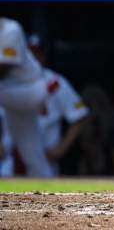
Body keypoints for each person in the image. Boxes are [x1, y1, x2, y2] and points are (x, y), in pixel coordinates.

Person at [28, 35, 90, 175]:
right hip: (10, 161)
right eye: (28, 54)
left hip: (44, 160)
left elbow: (79, 115)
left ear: (43, 56)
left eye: (36, 54)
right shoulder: (7, 82)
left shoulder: (55, 82)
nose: (32, 59)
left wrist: (61, 149)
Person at [0, 18, 53, 177]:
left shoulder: (10, 29)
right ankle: (48, 188)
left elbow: (4, 68)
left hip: (30, 88)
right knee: (31, 151)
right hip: (12, 94)